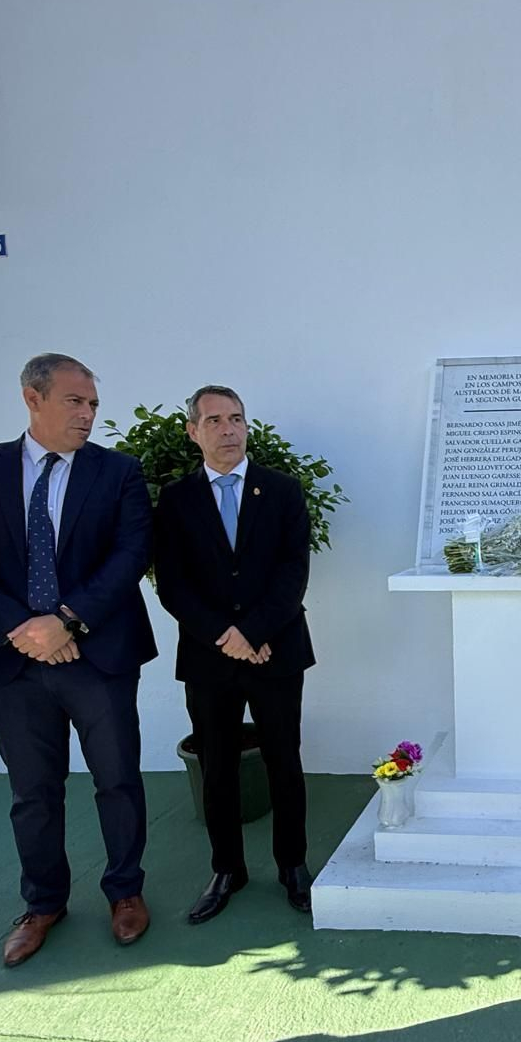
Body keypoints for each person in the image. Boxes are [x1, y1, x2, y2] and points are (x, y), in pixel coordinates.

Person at [0, 353, 157, 966]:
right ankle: (43, 903)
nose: (87, 414)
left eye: (92, 404)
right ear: (33, 398)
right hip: (15, 663)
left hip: (97, 655)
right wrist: (20, 627)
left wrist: (63, 621)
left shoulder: (118, 472)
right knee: (32, 791)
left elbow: (131, 553)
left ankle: (126, 891)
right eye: (74, 401)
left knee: (117, 780)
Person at [154, 386, 317, 921]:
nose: (228, 429)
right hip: (209, 655)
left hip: (276, 650)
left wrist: (255, 630)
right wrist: (226, 635)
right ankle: (228, 868)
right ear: (193, 431)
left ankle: (293, 864)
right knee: (217, 767)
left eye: (237, 418)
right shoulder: (176, 500)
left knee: (283, 760)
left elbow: (293, 571)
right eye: (215, 420)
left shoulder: (284, 490)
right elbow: (172, 583)